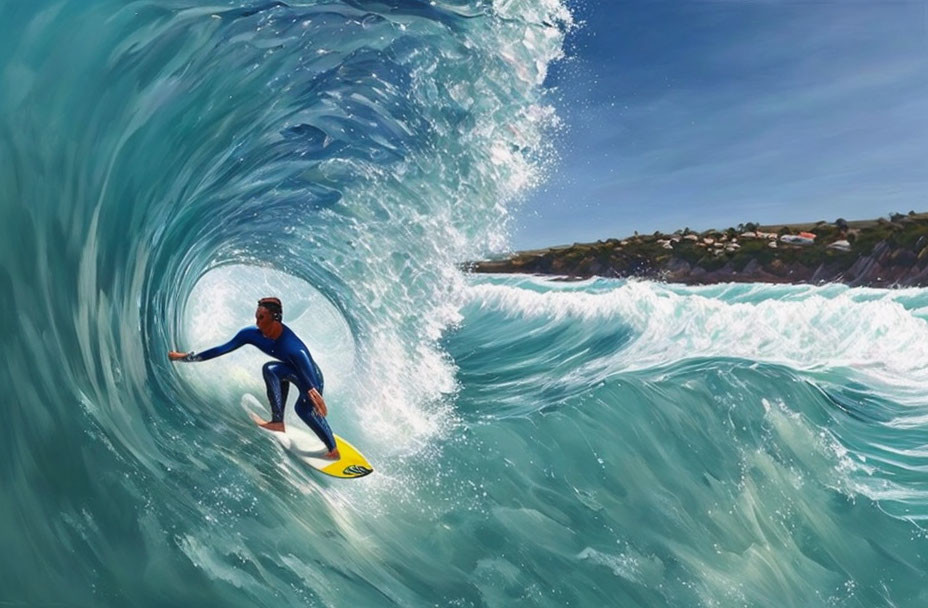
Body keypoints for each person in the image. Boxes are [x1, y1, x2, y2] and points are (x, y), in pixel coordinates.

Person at [168, 297, 340, 460]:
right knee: (271, 370)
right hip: (290, 370)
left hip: (309, 375)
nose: (257, 322)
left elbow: (308, 372)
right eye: (256, 316)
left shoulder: (293, 347)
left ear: (275, 318)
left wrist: (314, 393)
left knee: (302, 409)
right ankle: (277, 422)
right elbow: (221, 350)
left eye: (262, 317)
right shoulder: (251, 334)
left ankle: (333, 450)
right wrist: (187, 358)